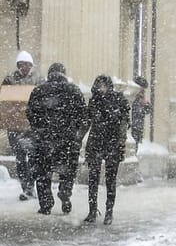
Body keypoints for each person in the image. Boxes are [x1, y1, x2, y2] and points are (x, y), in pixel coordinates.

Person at [26, 62, 87, 215]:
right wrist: (75, 135)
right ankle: (65, 192)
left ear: (49, 74)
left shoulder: (38, 90)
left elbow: (30, 114)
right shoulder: (74, 91)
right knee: (67, 170)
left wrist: (40, 128)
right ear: (64, 74)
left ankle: (46, 204)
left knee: (42, 172)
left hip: (43, 140)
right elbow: (83, 116)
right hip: (67, 140)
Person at [84, 75, 129, 225]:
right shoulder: (93, 101)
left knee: (110, 180)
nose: (101, 89)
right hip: (96, 143)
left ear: (109, 86)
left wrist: (121, 143)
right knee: (93, 179)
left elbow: (124, 123)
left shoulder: (119, 100)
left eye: (104, 85)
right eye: (99, 86)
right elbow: (87, 122)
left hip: (112, 144)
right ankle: (92, 211)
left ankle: (109, 212)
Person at [2, 50, 42, 201]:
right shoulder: (9, 80)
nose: (24, 67)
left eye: (27, 64)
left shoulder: (38, 80)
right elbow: (4, 99)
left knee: (32, 158)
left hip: (32, 127)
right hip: (14, 127)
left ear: (31, 66)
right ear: (17, 65)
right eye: (21, 64)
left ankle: (31, 186)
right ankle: (25, 187)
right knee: (20, 158)